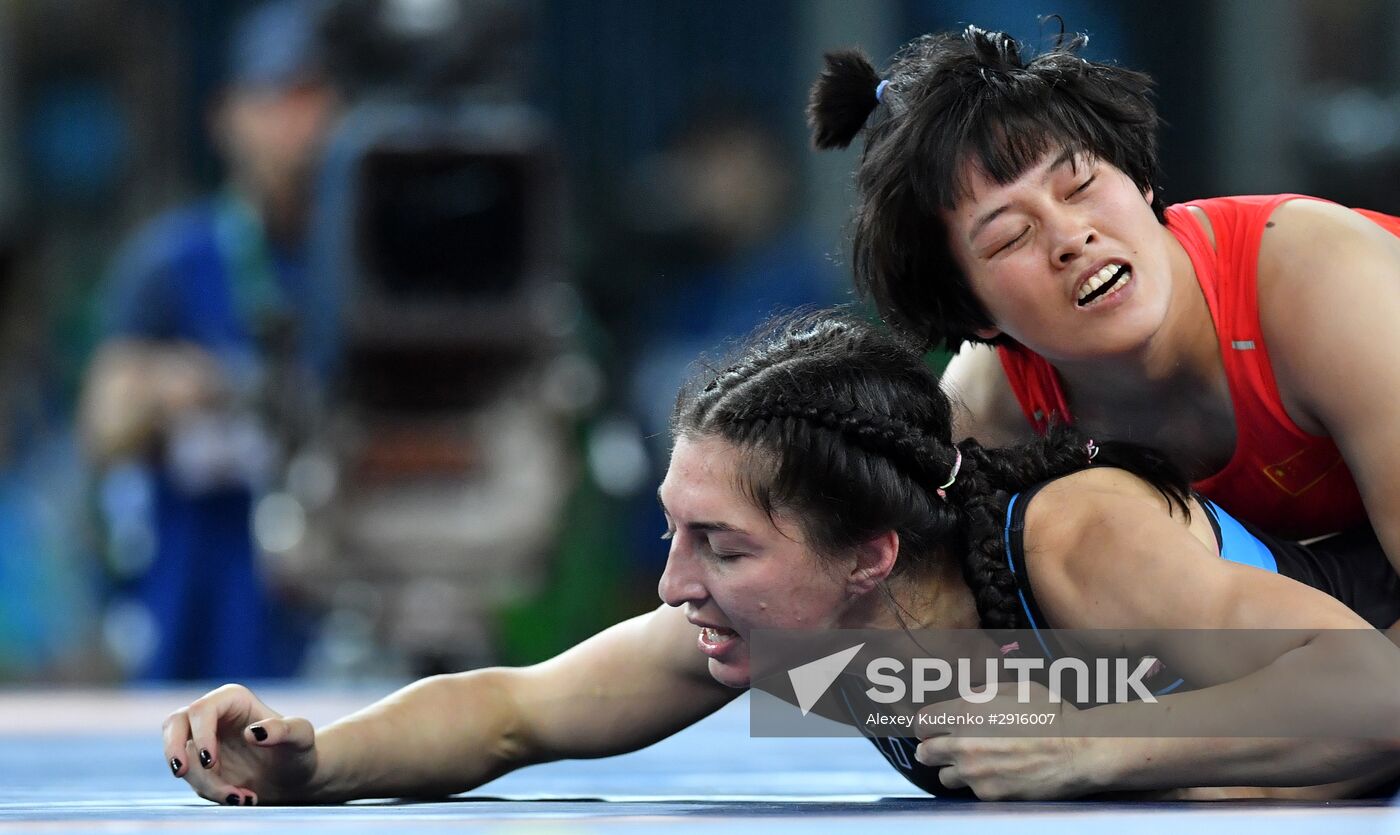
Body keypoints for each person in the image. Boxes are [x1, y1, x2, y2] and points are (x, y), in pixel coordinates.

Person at [162, 310, 1400, 805]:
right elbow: (512, 713)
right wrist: (309, 759)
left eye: (720, 544)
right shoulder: (781, 634)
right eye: (674, 531)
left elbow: (1375, 692)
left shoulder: (1075, 540)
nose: (673, 583)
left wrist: (1092, 743)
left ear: (870, 552)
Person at [806, 26, 1400, 583]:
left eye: (1081, 186)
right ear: (972, 312)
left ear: (1140, 180)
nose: (1070, 237)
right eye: (1010, 236)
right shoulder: (989, 408)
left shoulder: (1321, 277)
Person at [79, 0, 340, 679]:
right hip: (200, 615)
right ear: (227, 115)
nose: (299, 121)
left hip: (341, 608)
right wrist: (174, 387)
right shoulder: (172, 262)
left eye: (315, 96)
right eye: (277, 96)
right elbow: (102, 426)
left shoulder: (364, 266)